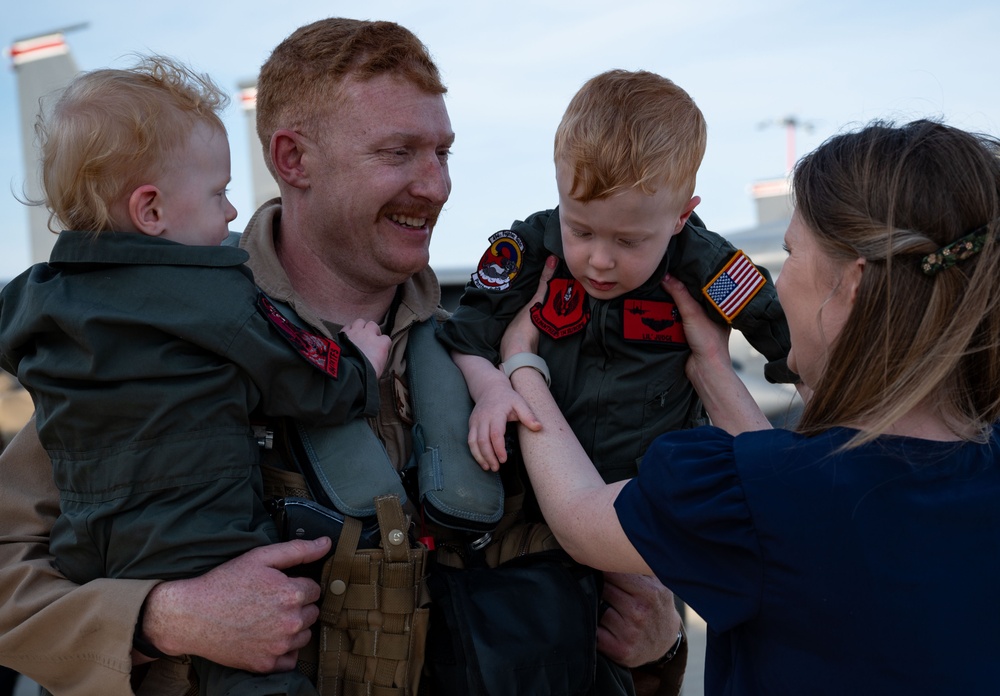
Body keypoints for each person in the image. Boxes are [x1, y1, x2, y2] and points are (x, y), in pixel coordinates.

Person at [0, 19, 682, 696]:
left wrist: (660, 644)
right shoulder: (156, 346)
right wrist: (165, 619)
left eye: (442, 153)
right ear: (293, 160)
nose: (437, 185)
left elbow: (620, 576)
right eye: (399, 153)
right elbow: (10, 574)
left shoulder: (498, 354)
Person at [503, 119, 1000, 695]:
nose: (780, 283)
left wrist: (521, 362)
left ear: (852, 286)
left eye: (791, 253)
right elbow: (787, 493)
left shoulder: (769, 495)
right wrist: (712, 368)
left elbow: (581, 520)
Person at [0, 55, 391, 696]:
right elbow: (301, 376)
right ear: (151, 211)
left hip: (91, 561)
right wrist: (358, 367)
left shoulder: (45, 312)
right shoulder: (215, 298)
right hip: (213, 556)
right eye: (217, 195)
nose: (233, 210)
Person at [440, 68, 794, 476]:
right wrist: (490, 388)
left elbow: (789, 340)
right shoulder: (529, 250)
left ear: (681, 217)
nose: (600, 260)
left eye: (628, 241)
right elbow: (465, 334)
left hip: (657, 493)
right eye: (581, 230)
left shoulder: (708, 264)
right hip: (542, 489)